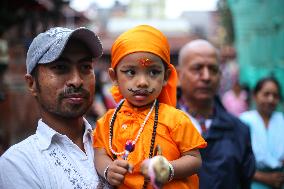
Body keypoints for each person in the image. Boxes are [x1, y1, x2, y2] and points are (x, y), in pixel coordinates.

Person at [93, 25, 207, 189]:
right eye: (131, 72)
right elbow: (100, 153)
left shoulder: (176, 119)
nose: (142, 82)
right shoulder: (107, 122)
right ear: (114, 77)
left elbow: (194, 159)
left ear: (166, 76)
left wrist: (168, 169)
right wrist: (108, 169)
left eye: (153, 72)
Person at [0, 27, 105, 188]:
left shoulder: (113, 141)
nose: (76, 81)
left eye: (85, 67)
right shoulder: (18, 163)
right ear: (32, 84)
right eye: (60, 68)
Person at [177, 39, 256, 189]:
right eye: (197, 68)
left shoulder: (239, 130)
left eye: (213, 69)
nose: (206, 76)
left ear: (220, 76)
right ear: (179, 75)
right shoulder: (159, 124)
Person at [239, 77, 284, 189]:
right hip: (252, 182)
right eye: (266, 94)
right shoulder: (244, 121)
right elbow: (237, 160)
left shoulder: (281, 120)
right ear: (255, 95)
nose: (270, 99)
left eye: (275, 95)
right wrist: (264, 178)